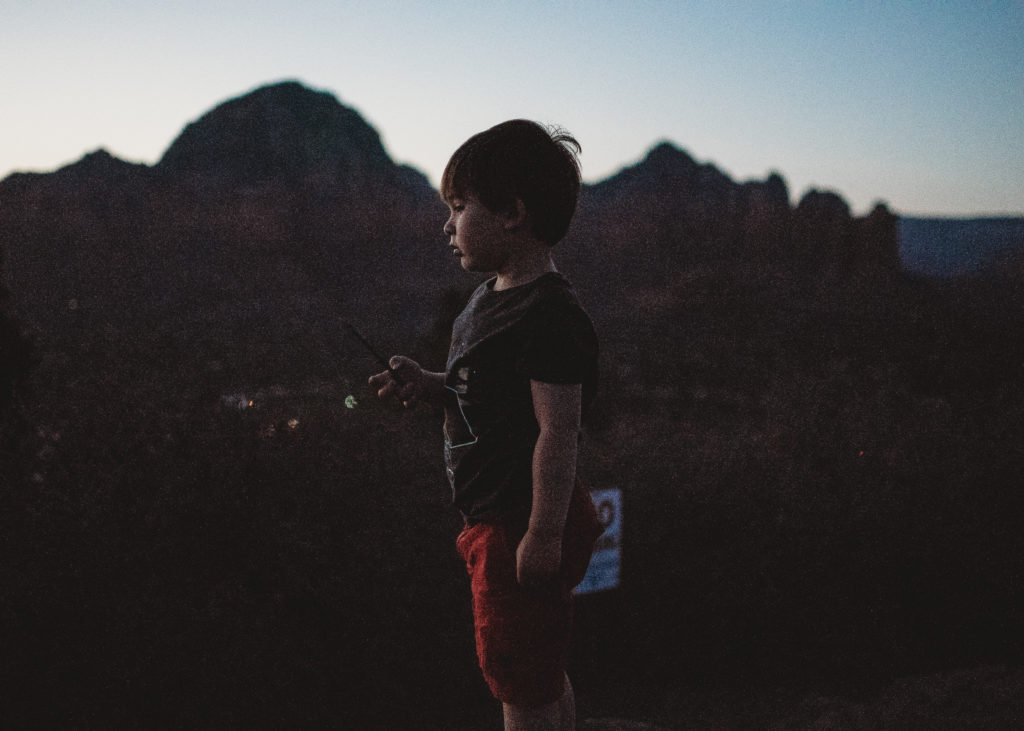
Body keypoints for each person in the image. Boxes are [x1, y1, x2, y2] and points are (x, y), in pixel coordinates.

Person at [369, 119, 602, 730]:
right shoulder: (487, 299)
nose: (447, 225)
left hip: (517, 523)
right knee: (537, 664)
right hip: (496, 520)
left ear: (511, 213)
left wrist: (543, 535)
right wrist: (428, 384)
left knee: (516, 675)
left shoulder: (549, 314)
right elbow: (483, 394)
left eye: (459, 207)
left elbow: (558, 432)